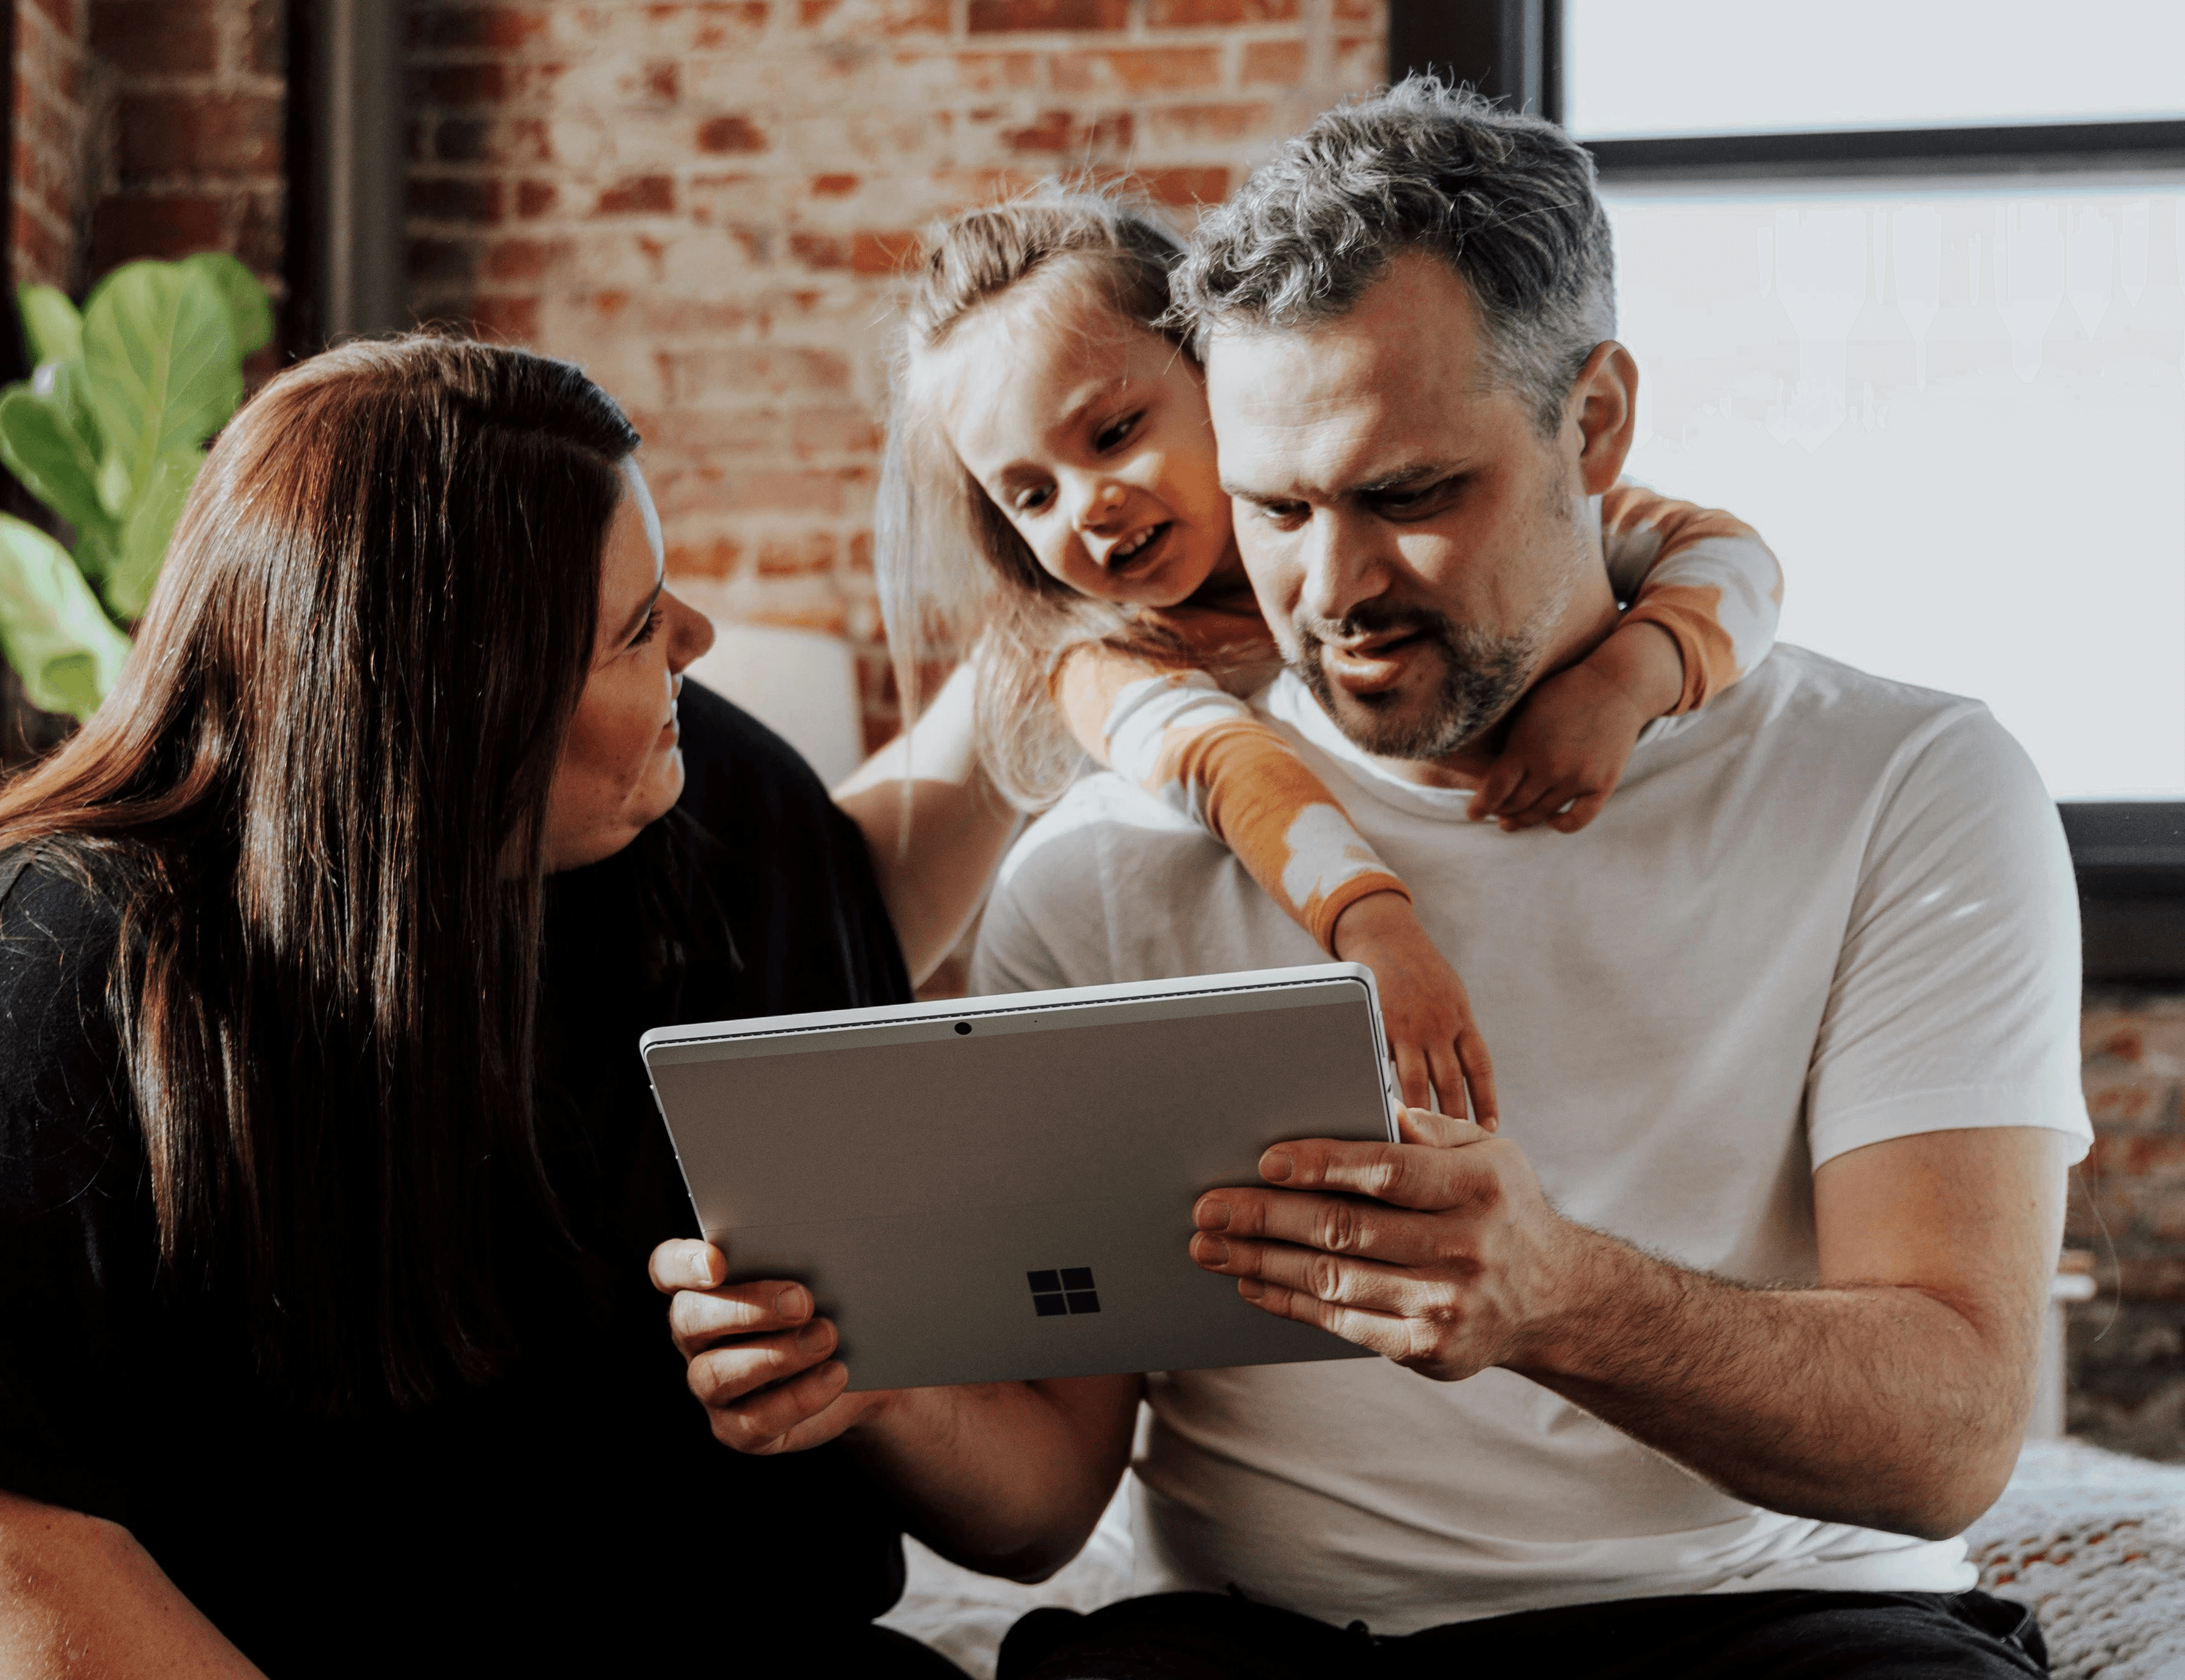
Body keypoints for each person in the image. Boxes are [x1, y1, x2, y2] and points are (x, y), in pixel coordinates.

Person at [666, 81, 2088, 1677]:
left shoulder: (1907, 784)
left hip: (1777, 1626)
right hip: (1268, 1647)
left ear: (1595, 423)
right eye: (1275, 508)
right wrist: (871, 1381)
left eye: (1408, 498)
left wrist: (1559, 1300)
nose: (1332, 592)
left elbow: (1950, 1440)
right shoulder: (1103, 865)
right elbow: (1045, 1509)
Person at [0, 338, 1126, 1678]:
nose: (698, 643)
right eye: (640, 628)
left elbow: (867, 885)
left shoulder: (689, 810)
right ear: (451, 718)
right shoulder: (42, 975)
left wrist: (1100, 620)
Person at [851, 184, 1783, 1120]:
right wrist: (1377, 933)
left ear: (1215, 377)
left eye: (1113, 434)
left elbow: (1725, 551)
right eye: (1030, 495)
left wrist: (1625, 681)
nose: (1087, 505)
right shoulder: (1100, 658)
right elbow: (1230, 765)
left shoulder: (1434, 498)